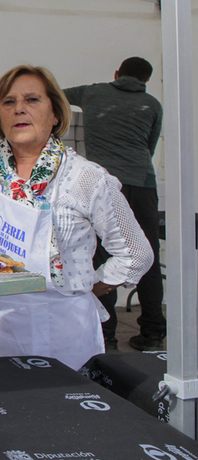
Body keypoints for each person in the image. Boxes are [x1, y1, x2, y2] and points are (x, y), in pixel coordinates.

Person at [0, 65, 154, 370]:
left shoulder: (84, 177)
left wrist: (91, 284)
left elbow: (136, 253)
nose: (19, 110)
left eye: (32, 100)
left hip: (59, 330)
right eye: (9, 102)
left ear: (55, 114)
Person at [64, 57, 164, 352]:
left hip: (103, 184)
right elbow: (150, 146)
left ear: (116, 74)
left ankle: (106, 334)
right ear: (146, 80)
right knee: (148, 257)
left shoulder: (93, 93)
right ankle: (154, 332)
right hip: (142, 183)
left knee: (100, 256)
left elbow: (51, 93)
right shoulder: (153, 104)